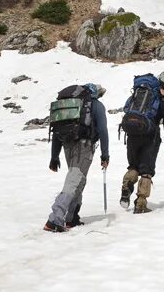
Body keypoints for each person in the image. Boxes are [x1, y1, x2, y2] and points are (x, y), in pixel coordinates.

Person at [44, 83, 109, 232]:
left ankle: (71, 218)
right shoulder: (96, 105)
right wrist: (105, 155)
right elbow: (103, 131)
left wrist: (54, 156)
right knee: (75, 179)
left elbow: (56, 131)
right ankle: (55, 218)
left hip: (67, 144)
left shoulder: (73, 106)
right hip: (84, 146)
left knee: (78, 180)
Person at [120, 80, 164, 213]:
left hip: (133, 135)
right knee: (146, 171)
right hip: (151, 137)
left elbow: (126, 109)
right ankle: (141, 204)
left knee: (133, 166)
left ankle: (126, 186)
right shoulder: (162, 102)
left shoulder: (137, 97)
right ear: (161, 89)